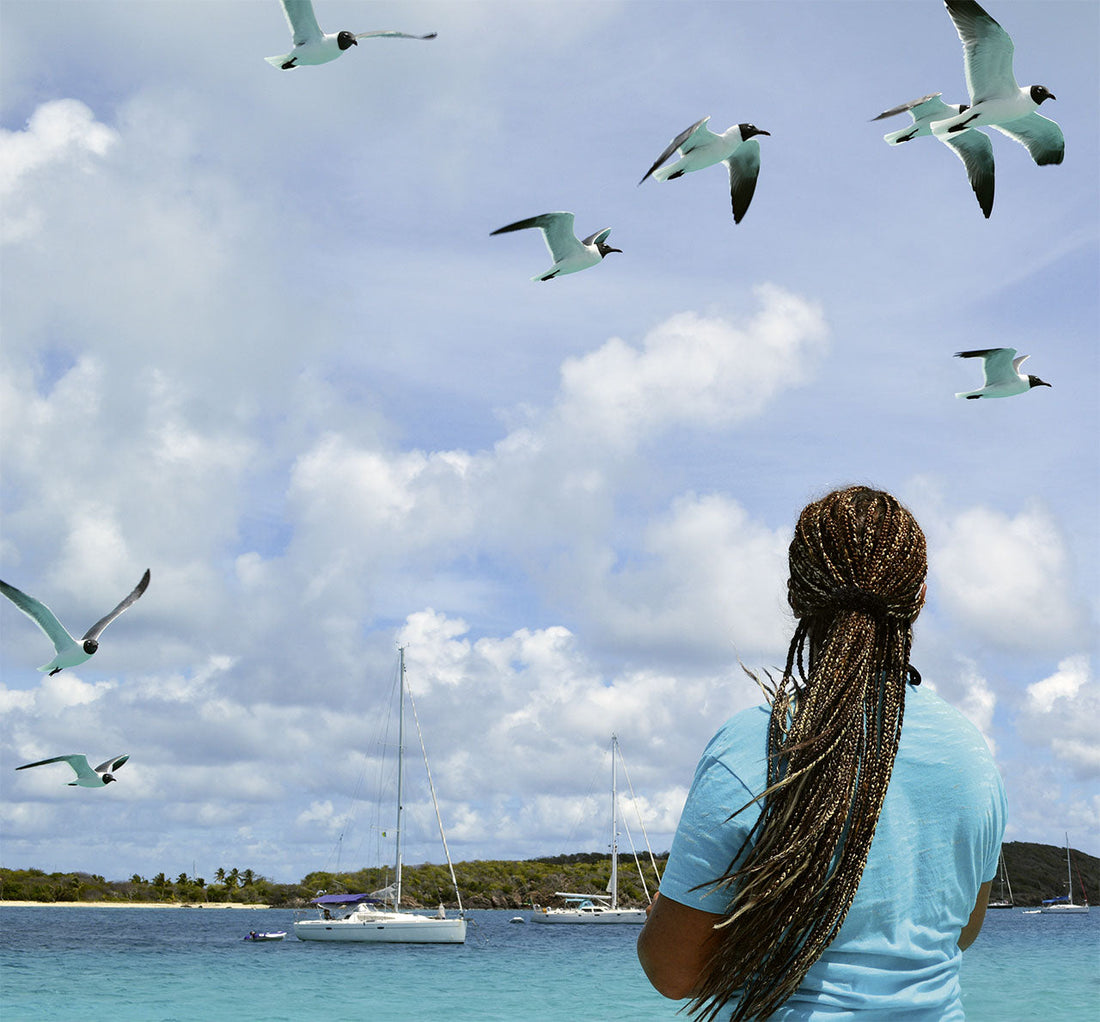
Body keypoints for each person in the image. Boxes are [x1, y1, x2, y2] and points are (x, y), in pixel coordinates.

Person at [638, 486, 1006, 1021]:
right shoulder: (972, 752)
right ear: (919, 597)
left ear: (795, 594)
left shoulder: (755, 743)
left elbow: (674, 974)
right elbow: (962, 931)